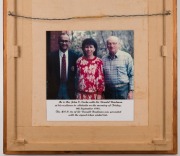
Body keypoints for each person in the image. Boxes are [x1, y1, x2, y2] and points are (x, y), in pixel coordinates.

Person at [47, 33, 79, 99]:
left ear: (69, 42)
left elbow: (76, 74)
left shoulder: (75, 57)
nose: (64, 43)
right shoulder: (50, 56)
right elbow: (47, 73)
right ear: (58, 42)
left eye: (66, 41)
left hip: (69, 90)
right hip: (55, 89)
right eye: (62, 41)